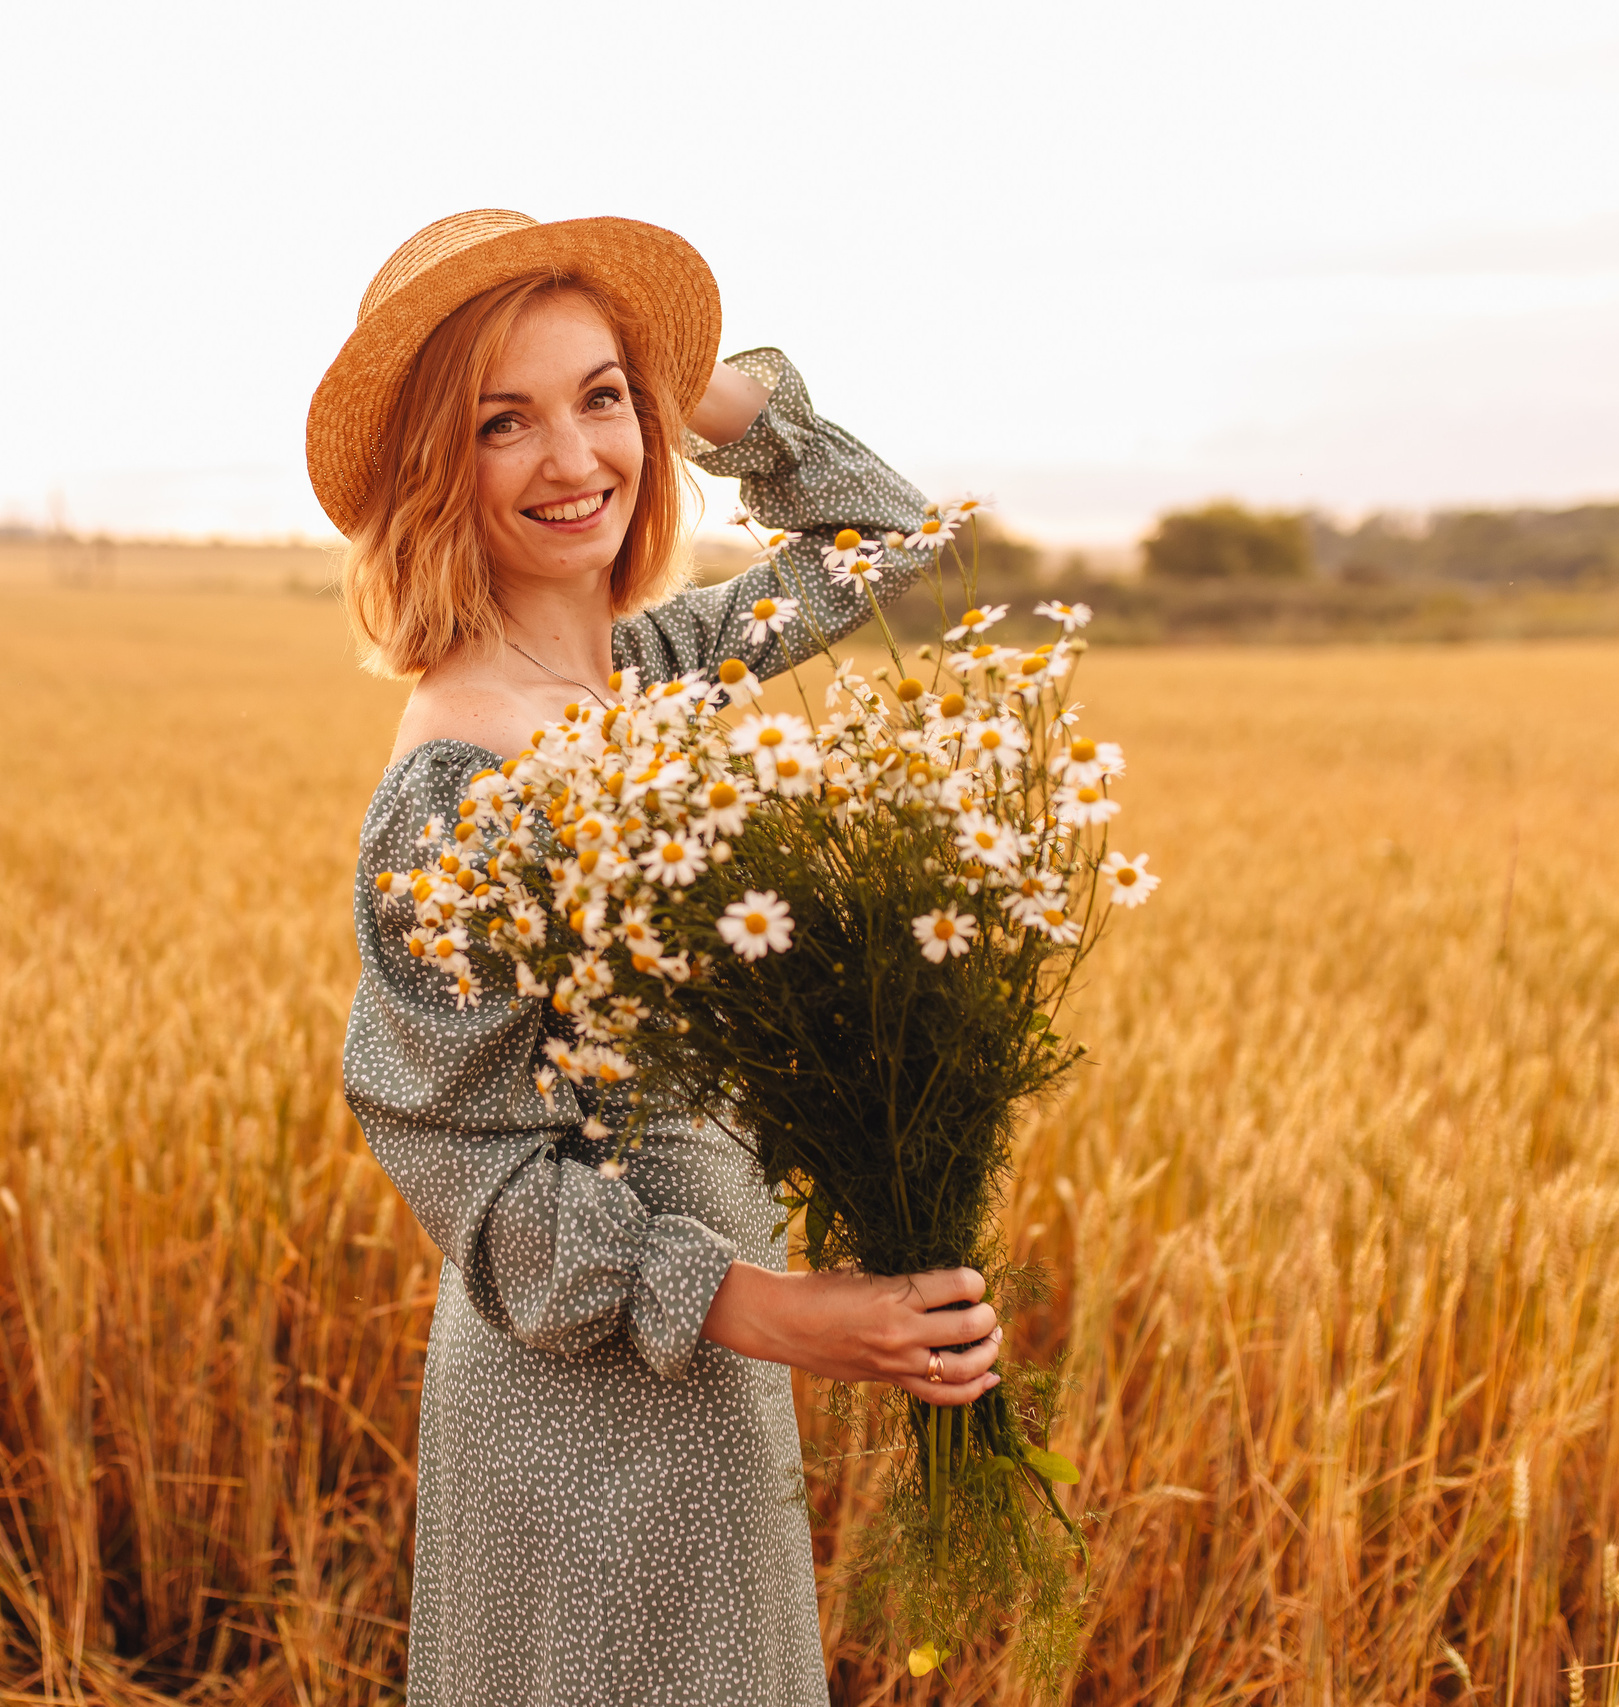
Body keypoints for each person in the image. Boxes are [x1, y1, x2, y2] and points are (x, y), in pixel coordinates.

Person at [311, 210, 1004, 1707]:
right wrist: (775, 1311)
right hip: (585, 1416)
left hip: (717, 1380)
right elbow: (467, 1165)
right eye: (503, 422)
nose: (574, 460)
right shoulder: (459, 775)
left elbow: (884, 535)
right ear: (434, 466)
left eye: (601, 398)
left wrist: (691, 382)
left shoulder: (652, 670)